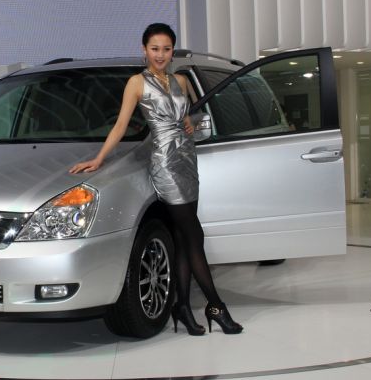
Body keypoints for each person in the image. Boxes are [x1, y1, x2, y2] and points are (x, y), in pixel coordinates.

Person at [69, 23, 242, 336]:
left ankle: (182, 308)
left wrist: (189, 124)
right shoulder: (137, 83)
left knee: (183, 237)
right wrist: (99, 158)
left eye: (166, 49)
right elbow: (121, 125)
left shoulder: (181, 80)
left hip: (188, 162)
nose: (160, 54)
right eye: (154, 49)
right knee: (195, 235)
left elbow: (188, 117)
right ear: (144, 50)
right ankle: (216, 306)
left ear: (172, 50)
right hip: (165, 164)